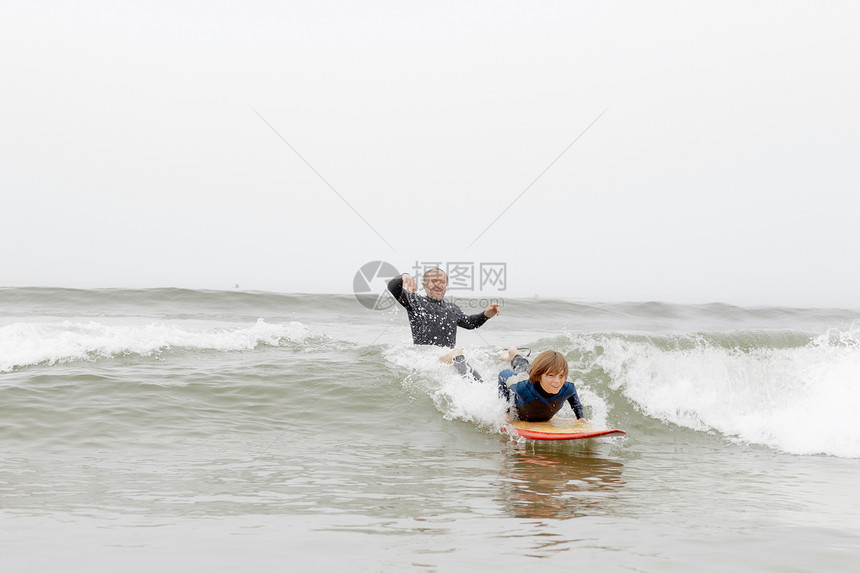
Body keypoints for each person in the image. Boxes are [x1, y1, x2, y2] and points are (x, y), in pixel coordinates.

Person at [387, 268, 500, 381]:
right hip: (426, 359)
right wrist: (404, 276)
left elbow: (469, 323)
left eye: (442, 282)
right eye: (433, 281)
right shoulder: (415, 301)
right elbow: (393, 287)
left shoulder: (452, 308)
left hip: (450, 359)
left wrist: (485, 315)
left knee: (465, 364)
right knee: (458, 355)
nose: (438, 285)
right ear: (425, 285)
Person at [497, 347, 587, 422]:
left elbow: (574, 400)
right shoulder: (521, 386)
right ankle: (513, 353)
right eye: (551, 375)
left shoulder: (567, 386)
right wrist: (506, 412)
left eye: (561, 375)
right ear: (539, 376)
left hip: (539, 373)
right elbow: (503, 374)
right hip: (526, 374)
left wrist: (581, 418)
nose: (557, 381)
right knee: (521, 365)